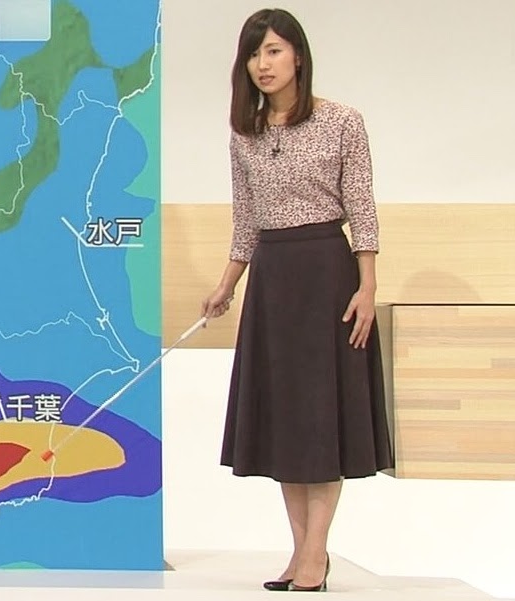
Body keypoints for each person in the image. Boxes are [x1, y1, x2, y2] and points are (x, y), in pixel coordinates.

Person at [200, 8, 395, 593]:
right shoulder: (245, 134)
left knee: (319, 417)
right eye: (254, 53)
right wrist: (227, 285)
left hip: (327, 275)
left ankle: (316, 553)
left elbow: (362, 208)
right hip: (273, 280)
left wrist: (367, 285)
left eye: (274, 50)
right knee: (286, 421)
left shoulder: (342, 121)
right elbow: (246, 223)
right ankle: (302, 553)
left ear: (299, 57)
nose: (263, 64)